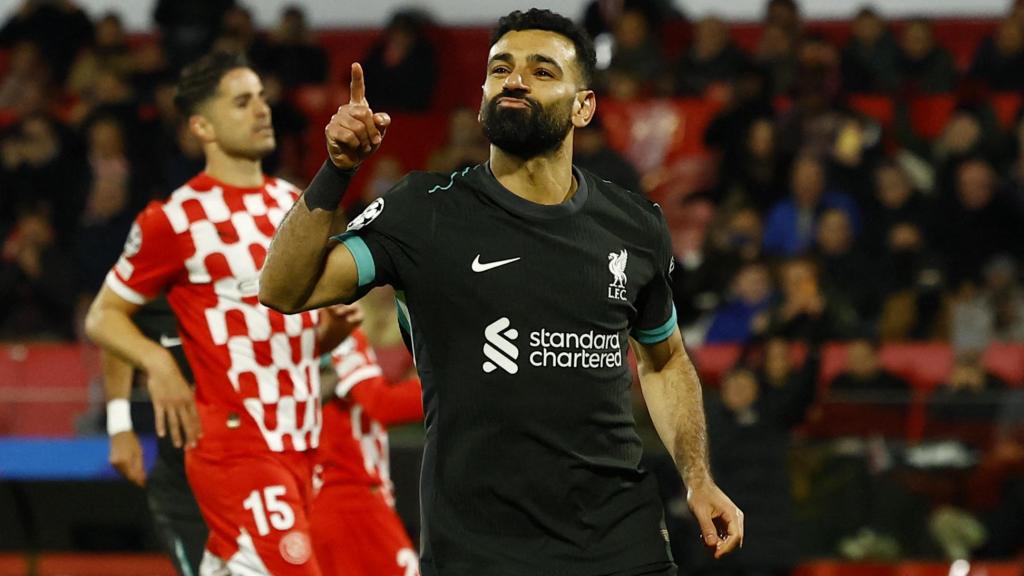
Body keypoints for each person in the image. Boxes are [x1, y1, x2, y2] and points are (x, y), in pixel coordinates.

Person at [259, 9, 743, 576]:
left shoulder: (634, 223)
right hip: (479, 550)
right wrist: (338, 169)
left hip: (620, 541)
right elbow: (286, 289)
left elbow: (663, 361)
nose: (515, 79)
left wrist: (697, 477)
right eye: (501, 68)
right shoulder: (425, 211)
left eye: (542, 70)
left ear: (584, 106)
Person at [85, 51, 351, 575]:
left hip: (300, 441)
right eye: (242, 102)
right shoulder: (176, 219)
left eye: (261, 98)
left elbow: (275, 337)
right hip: (237, 445)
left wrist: (328, 336)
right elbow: (104, 315)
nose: (260, 110)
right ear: (202, 125)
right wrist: (157, 367)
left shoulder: (294, 206)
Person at [102, 297, 207, 576]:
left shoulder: (268, 272)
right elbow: (110, 317)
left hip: (269, 466)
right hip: (185, 479)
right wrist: (119, 425)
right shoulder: (163, 273)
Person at [312, 317, 424, 576]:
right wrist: (447, 389)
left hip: (329, 499)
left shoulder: (308, 333)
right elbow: (382, 404)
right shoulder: (339, 334)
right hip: (350, 498)